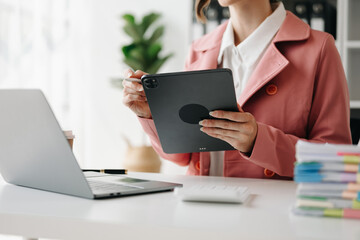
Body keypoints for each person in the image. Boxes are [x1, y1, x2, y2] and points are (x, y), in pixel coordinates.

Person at [122, 0, 352, 179]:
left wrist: (257, 141)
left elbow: (335, 160)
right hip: (198, 207)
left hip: (271, 215)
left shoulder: (319, 49)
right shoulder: (199, 49)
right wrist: (152, 114)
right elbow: (181, 157)